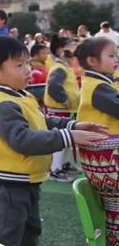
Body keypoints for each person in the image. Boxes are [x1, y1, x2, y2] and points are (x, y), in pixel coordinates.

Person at [0, 35, 106, 246]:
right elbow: (23, 140)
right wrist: (68, 138)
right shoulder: (3, 104)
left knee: (30, 229)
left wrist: (73, 125)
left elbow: (42, 121)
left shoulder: (21, 96)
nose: (29, 71)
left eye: (27, 63)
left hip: (27, 178)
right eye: (19, 65)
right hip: (10, 183)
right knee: (6, 233)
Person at [43, 35, 80, 182]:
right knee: (60, 140)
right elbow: (54, 86)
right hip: (59, 110)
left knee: (66, 140)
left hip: (65, 110)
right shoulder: (59, 68)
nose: (74, 48)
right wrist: (64, 100)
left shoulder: (64, 66)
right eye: (70, 45)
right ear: (60, 50)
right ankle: (55, 169)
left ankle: (62, 165)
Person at [76, 37, 119, 134]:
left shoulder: (94, 82)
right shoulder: (98, 87)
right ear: (92, 61)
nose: (117, 60)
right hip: (102, 144)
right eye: (111, 56)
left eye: (117, 56)